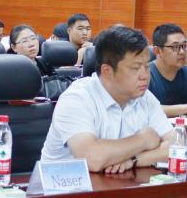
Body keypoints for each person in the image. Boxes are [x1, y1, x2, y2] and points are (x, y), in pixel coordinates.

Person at [41, 26, 174, 174]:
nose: (145, 75)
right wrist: (143, 140)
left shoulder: (144, 97)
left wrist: (134, 160)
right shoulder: (77, 98)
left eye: (147, 66)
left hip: (118, 183)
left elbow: (177, 146)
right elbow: (92, 159)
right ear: (107, 71)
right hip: (65, 184)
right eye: (136, 68)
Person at [148, 23, 187, 117]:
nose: (182, 52)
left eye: (184, 46)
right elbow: (145, 110)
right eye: (175, 47)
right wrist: (186, 108)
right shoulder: (145, 75)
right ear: (158, 51)